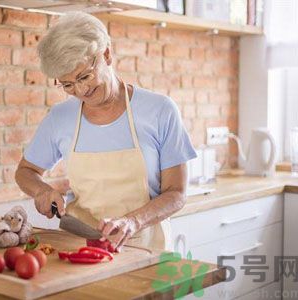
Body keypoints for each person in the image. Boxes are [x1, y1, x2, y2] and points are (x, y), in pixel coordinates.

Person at [15, 12, 196, 252]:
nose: (81, 90)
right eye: (67, 85)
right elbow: (25, 171)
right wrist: (43, 190)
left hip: (144, 247)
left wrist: (133, 221)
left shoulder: (160, 110)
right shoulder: (60, 118)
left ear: (107, 54)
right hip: (79, 247)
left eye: (85, 76)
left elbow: (176, 193)